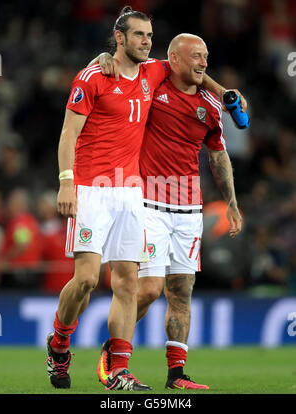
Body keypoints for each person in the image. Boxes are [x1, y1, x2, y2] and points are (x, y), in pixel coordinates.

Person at [46, 6, 245, 392]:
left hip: (131, 192)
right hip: (91, 187)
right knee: (86, 280)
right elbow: (68, 133)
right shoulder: (93, 76)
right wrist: (66, 182)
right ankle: (59, 342)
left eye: (150, 36)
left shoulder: (154, 72)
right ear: (119, 38)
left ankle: (117, 370)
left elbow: (195, 72)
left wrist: (225, 94)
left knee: (129, 284)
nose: (146, 42)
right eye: (138, 35)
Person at [97, 33, 243, 390]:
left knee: (182, 290)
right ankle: (114, 354)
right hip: (148, 204)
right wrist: (100, 59)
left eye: (206, 56)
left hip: (189, 210)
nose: (203, 62)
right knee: (148, 289)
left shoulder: (210, 106)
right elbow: (117, 69)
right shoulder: (151, 88)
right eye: (196, 56)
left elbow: (218, 154)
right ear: (174, 60)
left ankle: (177, 375)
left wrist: (233, 201)